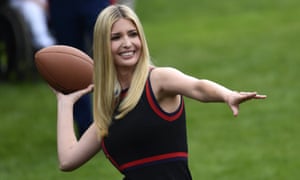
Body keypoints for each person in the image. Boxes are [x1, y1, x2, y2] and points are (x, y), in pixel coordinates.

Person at [52, 5, 266, 179]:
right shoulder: (108, 106)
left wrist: (227, 95)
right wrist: (65, 103)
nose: (127, 43)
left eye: (133, 34)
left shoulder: (158, 80)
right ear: (102, 45)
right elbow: (68, 160)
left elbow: (198, 87)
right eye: (115, 37)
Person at [48, 0, 110, 137]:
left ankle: (120, 119)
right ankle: (86, 130)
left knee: (110, 56)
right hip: (62, 5)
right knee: (70, 66)